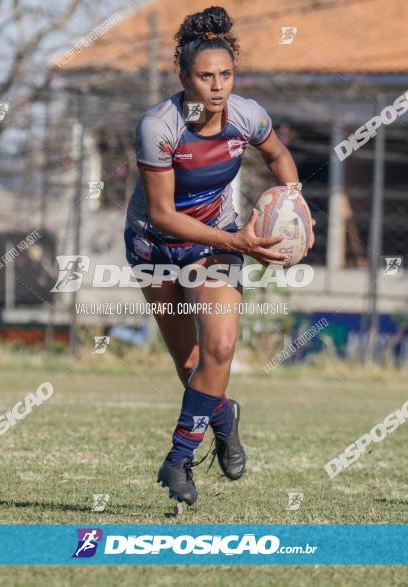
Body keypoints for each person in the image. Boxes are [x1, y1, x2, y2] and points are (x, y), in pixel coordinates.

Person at [123, 5, 314, 508]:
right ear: (183, 76)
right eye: (206, 76)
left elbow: (277, 156)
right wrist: (242, 244)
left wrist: (294, 202)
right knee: (191, 364)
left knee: (221, 350)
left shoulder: (247, 116)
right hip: (156, 244)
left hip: (215, 243)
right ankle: (224, 418)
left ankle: (179, 457)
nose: (217, 86)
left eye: (226, 75)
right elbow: (163, 214)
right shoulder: (159, 127)